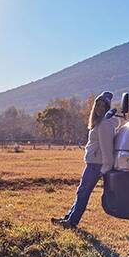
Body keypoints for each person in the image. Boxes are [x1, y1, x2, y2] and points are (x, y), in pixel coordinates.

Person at [51, 91, 116, 228]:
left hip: (96, 164)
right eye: (97, 105)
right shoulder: (98, 123)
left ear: (107, 108)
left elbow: (107, 148)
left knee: (83, 192)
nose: (99, 108)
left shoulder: (104, 124)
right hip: (92, 163)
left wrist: (105, 168)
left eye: (103, 106)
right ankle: (69, 218)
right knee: (81, 191)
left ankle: (72, 222)